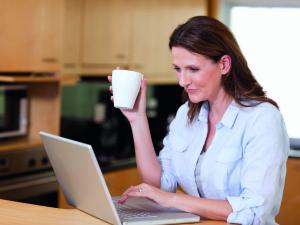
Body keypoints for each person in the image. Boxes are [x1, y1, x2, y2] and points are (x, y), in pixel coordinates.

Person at [108, 16, 289, 225]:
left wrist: (174, 200)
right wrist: (137, 118)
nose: (182, 81)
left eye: (193, 69)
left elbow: (255, 210)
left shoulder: (262, 119)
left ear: (224, 64)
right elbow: (161, 184)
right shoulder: (186, 114)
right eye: (177, 69)